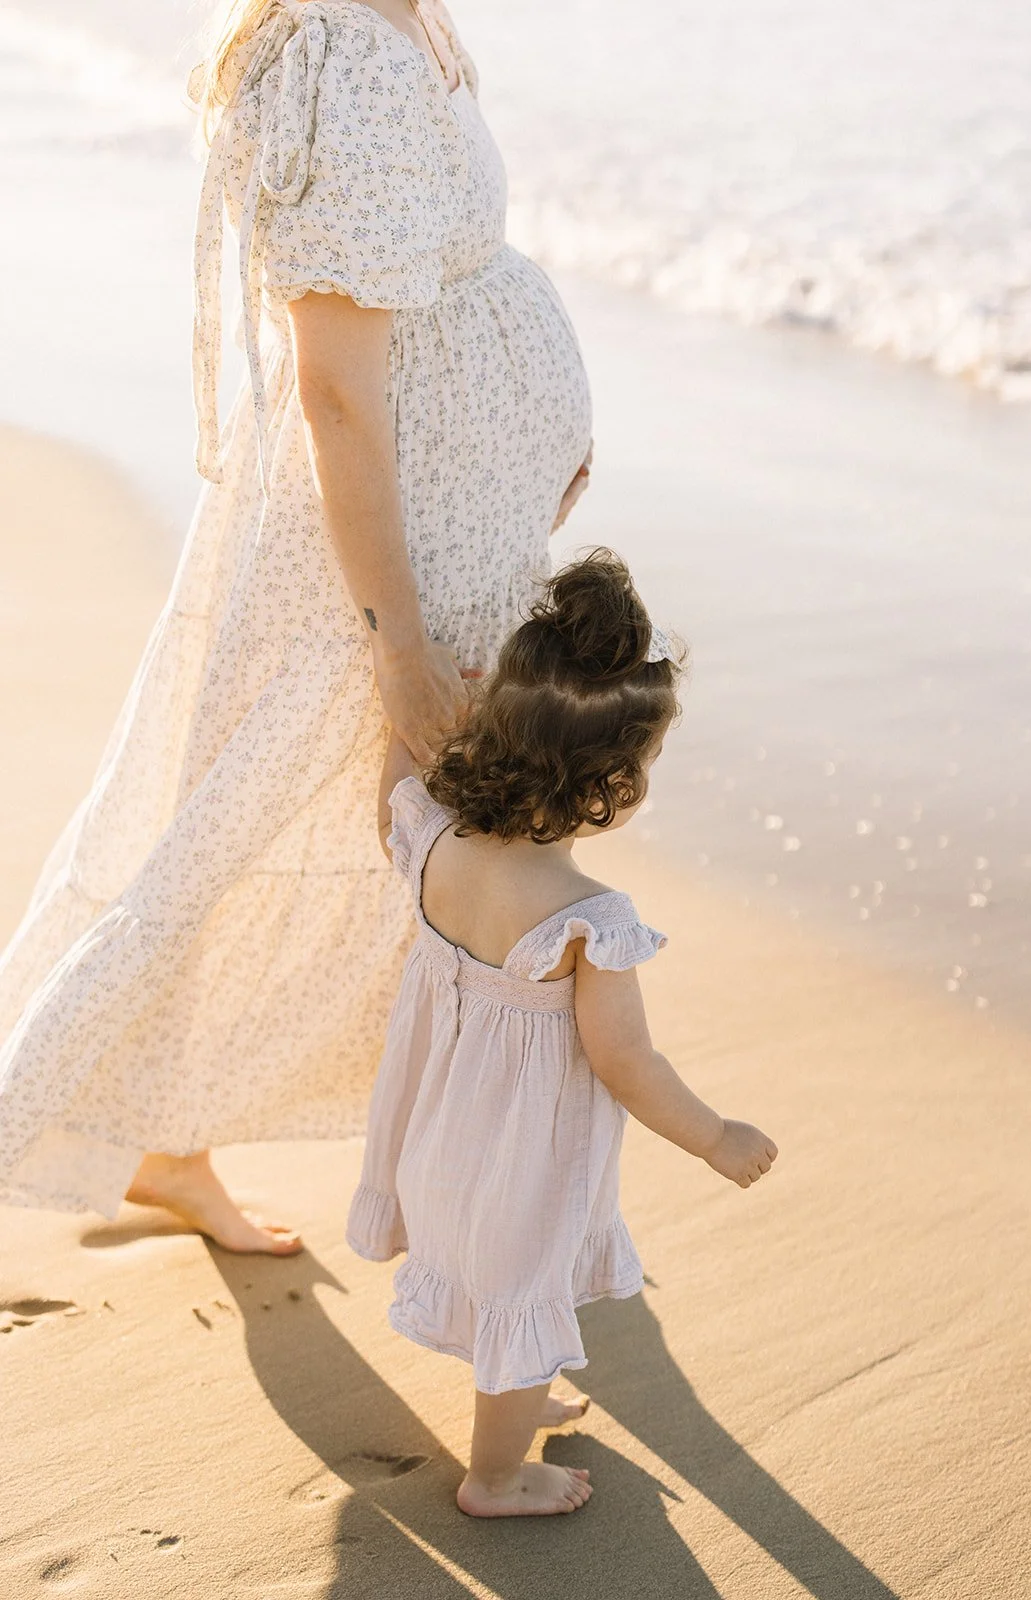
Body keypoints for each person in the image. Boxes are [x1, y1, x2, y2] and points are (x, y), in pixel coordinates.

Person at [0, 0, 592, 1250]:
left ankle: (191, 1149)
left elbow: (453, 282)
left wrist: (540, 427)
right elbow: (332, 385)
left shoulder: (407, 19)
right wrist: (396, 640)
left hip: (454, 534)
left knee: (365, 861)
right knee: (273, 843)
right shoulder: (344, 58)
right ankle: (486, 1253)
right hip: (391, 562)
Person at [348, 550, 779, 1517]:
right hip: (520, 1158)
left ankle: (521, 1400)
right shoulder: (589, 916)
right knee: (519, 1294)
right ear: (614, 782)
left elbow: (394, 791)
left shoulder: (434, 835)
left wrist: (412, 716)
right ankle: (497, 1475)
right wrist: (716, 1137)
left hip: (436, 1123)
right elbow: (627, 1064)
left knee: (500, 1285)